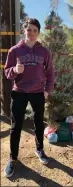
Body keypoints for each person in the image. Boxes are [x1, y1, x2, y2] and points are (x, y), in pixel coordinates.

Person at [4, 18, 55, 177]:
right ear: (24, 31)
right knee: (16, 126)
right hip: (19, 92)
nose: (32, 33)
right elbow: (7, 73)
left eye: (35, 30)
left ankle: (39, 150)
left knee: (39, 123)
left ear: (38, 32)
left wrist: (46, 90)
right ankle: (13, 158)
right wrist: (15, 70)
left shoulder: (44, 52)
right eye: (29, 29)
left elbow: (50, 73)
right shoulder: (14, 51)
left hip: (38, 93)